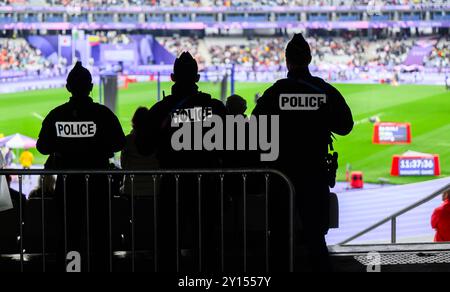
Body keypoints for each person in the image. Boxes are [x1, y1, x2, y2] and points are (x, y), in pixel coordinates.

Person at [252, 34, 354, 272]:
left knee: (278, 237)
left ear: (286, 61)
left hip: (281, 176)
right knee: (316, 238)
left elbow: (255, 128)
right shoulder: (323, 90)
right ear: (309, 59)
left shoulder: (275, 92)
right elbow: (345, 126)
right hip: (314, 173)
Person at [138, 52, 226, 271]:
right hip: (207, 182)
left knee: (168, 241)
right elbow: (232, 145)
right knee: (207, 240)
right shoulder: (215, 108)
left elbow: (144, 148)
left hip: (172, 183)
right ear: (197, 78)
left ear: (172, 77)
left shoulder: (159, 110)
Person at [36, 61, 126, 271]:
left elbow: (42, 147)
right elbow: (120, 143)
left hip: (68, 185)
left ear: (68, 88)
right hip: (98, 183)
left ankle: (71, 269)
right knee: (100, 232)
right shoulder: (103, 114)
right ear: (91, 87)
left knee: (70, 233)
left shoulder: (56, 115)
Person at [121, 107, 159, 197]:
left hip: (132, 190)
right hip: (154, 189)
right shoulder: (157, 140)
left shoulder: (128, 140)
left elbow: (124, 165)